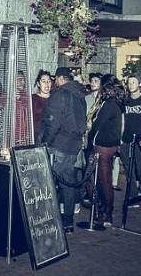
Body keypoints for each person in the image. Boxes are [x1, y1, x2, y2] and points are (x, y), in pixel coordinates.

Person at [36, 67, 87, 234]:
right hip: (73, 147)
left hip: (58, 146)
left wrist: (44, 143)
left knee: (46, 184)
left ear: (59, 78)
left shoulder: (61, 94)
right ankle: (68, 222)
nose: (53, 82)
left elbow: (53, 124)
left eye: (54, 79)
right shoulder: (80, 96)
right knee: (68, 185)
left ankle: (44, 220)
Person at [88, 74, 125, 226]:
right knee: (103, 180)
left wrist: (90, 133)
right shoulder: (116, 103)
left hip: (104, 145)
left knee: (104, 181)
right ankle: (103, 209)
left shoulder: (109, 104)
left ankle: (106, 213)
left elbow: (98, 125)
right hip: (109, 145)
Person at [120, 75, 141, 215]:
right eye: (129, 83)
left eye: (133, 82)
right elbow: (122, 121)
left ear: (139, 84)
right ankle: (133, 197)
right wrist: (121, 138)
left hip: (140, 141)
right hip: (127, 140)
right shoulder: (125, 101)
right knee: (129, 172)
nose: (131, 85)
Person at [32, 70, 52, 137]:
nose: (46, 84)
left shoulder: (55, 98)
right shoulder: (33, 99)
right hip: (37, 137)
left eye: (49, 81)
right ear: (38, 84)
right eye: (43, 81)